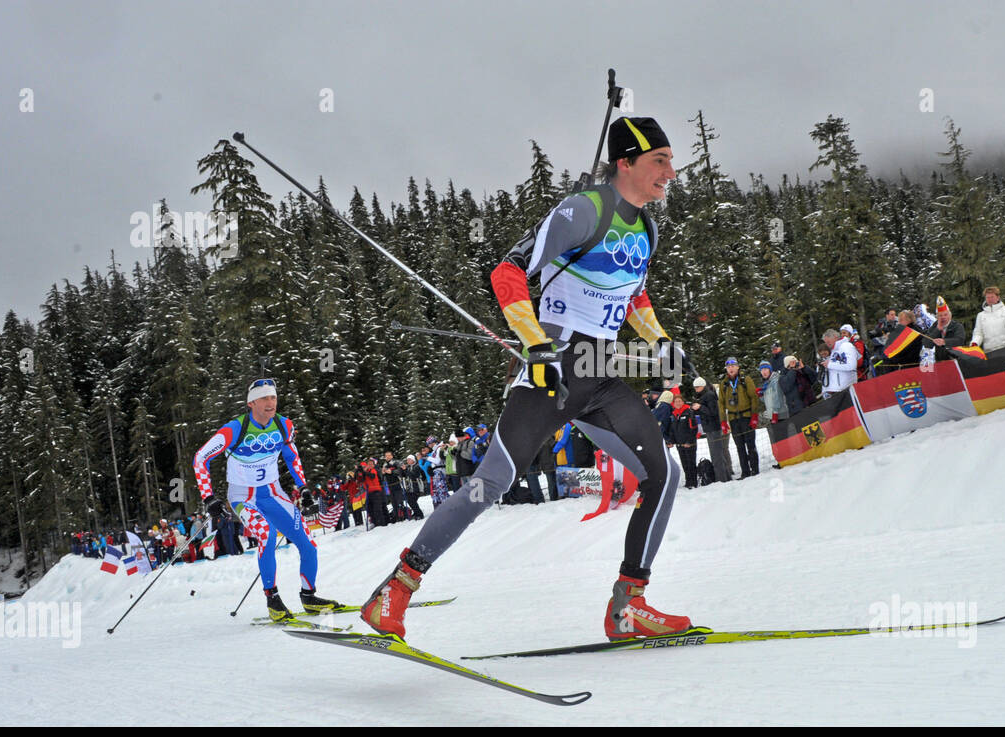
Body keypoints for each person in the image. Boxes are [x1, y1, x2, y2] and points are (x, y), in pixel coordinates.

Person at [361, 116, 691, 641]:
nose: (671, 172)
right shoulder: (585, 210)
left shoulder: (647, 227)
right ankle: (395, 589)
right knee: (490, 483)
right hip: (554, 369)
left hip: (600, 376)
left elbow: (633, 296)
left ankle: (629, 605)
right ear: (626, 161)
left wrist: (662, 344)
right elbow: (508, 271)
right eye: (660, 160)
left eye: (672, 161)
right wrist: (535, 343)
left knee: (663, 475)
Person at [192, 378, 344, 621]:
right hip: (244, 497)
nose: (270, 402)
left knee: (308, 543)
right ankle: (273, 599)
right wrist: (209, 498)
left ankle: (309, 597)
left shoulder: (284, 426)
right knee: (266, 534)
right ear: (251, 403)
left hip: (274, 493)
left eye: (273, 397)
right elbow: (201, 458)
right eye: (264, 398)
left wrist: (303, 487)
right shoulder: (234, 429)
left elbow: (292, 456)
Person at [718, 357, 761, 479]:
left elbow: (754, 397)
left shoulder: (745, 380)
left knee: (750, 444)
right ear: (726, 369)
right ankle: (745, 471)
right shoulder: (723, 384)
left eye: (733, 366)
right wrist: (723, 421)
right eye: (728, 367)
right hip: (733, 419)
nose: (731, 369)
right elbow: (720, 403)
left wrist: (754, 416)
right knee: (739, 446)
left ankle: (755, 469)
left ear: (737, 367)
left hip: (747, 416)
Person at [693, 376, 732, 483]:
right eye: (695, 387)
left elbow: (714, 412)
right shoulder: (704, 395)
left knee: (717, 455)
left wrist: (700, 407)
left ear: (702, 386)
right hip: (710, 428)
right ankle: (726, 477)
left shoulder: (709, 395)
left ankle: (722, 479)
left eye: (697, 387)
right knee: (717, 454)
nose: (696, 389)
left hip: (714, 428)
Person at [970, 286, 1005, 351]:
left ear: (998, 297)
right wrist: (975, 343)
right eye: (988, 297)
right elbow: (978, 333)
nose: (990, 299)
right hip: (991, 352)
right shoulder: (981, 316)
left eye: (992, 297)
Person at [670, 390, 700, 489]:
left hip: (689, 443)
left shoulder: (689, 412)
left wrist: (689, 441)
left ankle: (693, 482)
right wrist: (672, 441)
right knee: (684, 464)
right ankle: (688, 481)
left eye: (679, 401)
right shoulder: (674, 415)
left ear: (683, 402)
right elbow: (673, 430)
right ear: (673, 404)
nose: (678, 403)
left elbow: (694, 428)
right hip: (680, 444)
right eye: (676, 402)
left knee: (691, 463)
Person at [820, 328, 860, 395]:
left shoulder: (845, 346)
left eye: (828, 341)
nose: (827, 344)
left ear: (835, 337)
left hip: (844, 390)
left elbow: (851, 365)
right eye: (826, 342)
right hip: (837, 391)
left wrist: (829, 365)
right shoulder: (834, 350)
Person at [757, 360, 787, 424]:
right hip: (773, 416)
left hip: (781, 415)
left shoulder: (775, 380)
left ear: (770, 370)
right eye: (761, 370)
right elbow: (768, 401)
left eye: (765, 369)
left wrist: (775, 413)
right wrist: (761, 395)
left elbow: (778, 398)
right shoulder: (766, 384)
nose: (763, 372)